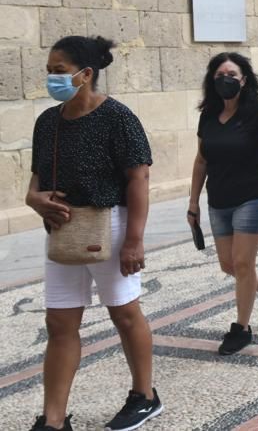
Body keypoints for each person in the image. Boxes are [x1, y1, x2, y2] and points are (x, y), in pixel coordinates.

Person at [27, 36, 161, 431]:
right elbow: (34, 183)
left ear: (85, 75)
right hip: (63, 229)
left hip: (111, 225)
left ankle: (145, 396)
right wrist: (35, 201)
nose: (52, 78)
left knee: (124, 313)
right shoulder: (47, 122)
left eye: (59, 71)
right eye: (49, 71)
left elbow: (139, 178)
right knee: (59, 323)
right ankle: (53, 420)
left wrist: (135, 240)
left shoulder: (117, 117)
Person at [189, 52, 258, 356]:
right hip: (218, 198)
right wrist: (193, 203)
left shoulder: (257, 111)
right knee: (229, 264)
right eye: (220, 75)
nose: (226, 80)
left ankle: (241, 329)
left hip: (252, 196)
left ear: (244, 80)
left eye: (232, 74)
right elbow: (202, 159)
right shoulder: (208, 115)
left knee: (244, 263)